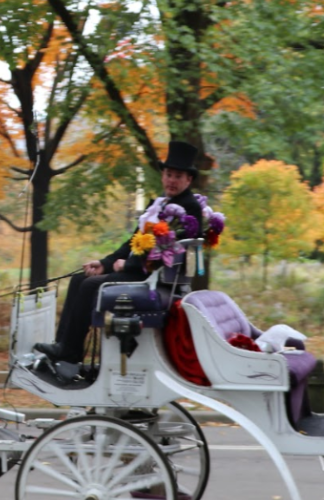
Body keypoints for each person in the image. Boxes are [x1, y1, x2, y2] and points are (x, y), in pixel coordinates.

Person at [35, 141, 207, 381]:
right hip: (142, 272)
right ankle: (64, 346)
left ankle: (71, 352)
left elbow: (165, 251)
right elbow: (134, 240)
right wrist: (105, 263)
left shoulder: (188, 210)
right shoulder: (159, 204)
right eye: (168, 174)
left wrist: (128, 266)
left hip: (153, 278)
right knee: (79, 279)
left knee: (90, 286)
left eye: (177, 176)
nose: (171, 180)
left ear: (188, 180)